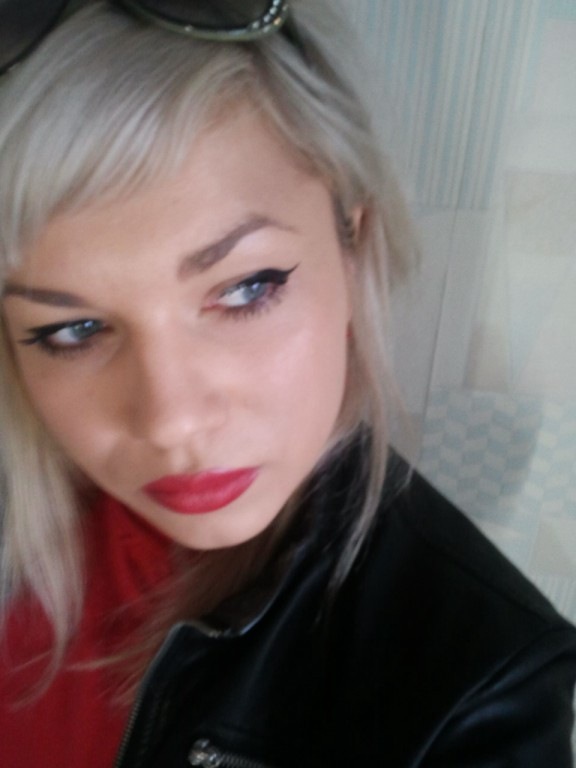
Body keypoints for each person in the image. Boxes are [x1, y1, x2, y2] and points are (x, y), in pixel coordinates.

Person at [0, 1, 575, 766]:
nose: (172, 421)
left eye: (247, 289)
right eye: (72, 330)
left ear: (353, 249)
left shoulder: (480, 689)